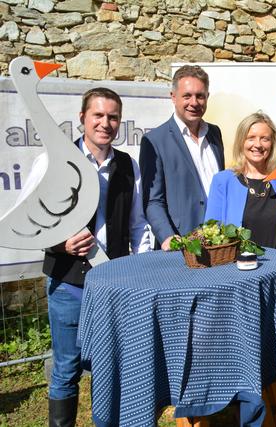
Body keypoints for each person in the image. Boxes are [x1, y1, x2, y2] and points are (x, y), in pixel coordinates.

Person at [39, 88, 151, 426]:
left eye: (112, 117)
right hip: (68, 283)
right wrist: (61, 245)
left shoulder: (128, 166)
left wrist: (140, 268)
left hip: (112, 286)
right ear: (82, 119)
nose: (106, 123)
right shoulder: (54, 161)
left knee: (108, 366)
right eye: (98, 116)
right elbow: (35, 223)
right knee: (66, 369)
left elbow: (139, 224)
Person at [140, 65, 224, 250]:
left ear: (207, 97)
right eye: (187, 96)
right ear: (173, 97)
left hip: (218, 244)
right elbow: (153, 201)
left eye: (200, 96)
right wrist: (168, 238)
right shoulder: (154, 141)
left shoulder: (215, 134)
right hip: (180, 247)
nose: (194, 102)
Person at [204, 112, 276, 256]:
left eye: (264, 139)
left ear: (272, 143)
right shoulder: (223, 181)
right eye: (251, 138)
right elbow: (210, 234)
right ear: (241, 141)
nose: (258, 145)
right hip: (239, 272)